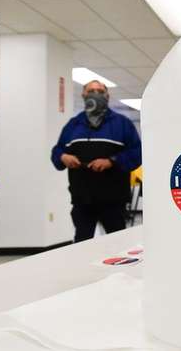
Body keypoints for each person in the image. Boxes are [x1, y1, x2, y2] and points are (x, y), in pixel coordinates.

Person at [51, 80, 142, 242]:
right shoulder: (73, 125)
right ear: (83, 95)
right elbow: (57, 151)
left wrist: (112, 161)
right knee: (82, 243)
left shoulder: (122, 124)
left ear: (107, 96)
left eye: (100, 91)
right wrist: (63, 157)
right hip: (82, 199)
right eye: (91, 91)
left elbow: (137, 153)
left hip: (113, 199)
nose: (95, 94)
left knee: (117, 243)